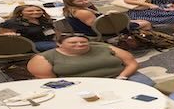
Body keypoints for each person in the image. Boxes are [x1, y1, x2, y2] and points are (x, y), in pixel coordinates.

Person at [25, 33, 153, 86]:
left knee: (148, 87)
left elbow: (131, 63)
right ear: (60, 44)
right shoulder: (44, 58)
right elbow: (50, 82)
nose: (79, 45)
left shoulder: (103, 47)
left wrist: (122, 77)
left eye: (83, 42)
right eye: (73, 43)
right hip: (81, 85)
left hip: (122, 77)